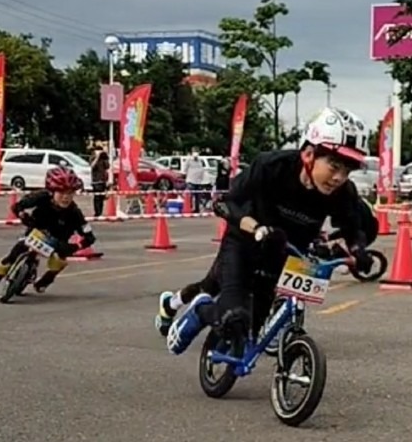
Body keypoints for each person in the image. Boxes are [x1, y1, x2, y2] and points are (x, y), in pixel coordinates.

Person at [162, 106, 374, 356]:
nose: (339, 178)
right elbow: (224, 203)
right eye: (334, 166)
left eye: (346, 171)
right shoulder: (272, 166)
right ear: (308, 154)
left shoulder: (343, 193)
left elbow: (355, 228)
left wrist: (358, 251)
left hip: (284, 255)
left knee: (250, 329)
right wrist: (258, 228)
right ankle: (200, 310)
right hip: (244, 244)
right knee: (232, 316)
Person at [154, 193, 380, 337]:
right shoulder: (282, 186)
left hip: (287, 249)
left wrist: (351, 251)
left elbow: (353, 233)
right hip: (253, 241)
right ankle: (171, 303)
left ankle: (270, 326)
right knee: (211, 286)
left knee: (275, 288)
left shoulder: (346, 206)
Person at [0, 166, 94, 299]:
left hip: (58, 241)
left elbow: (89, 237)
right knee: (15, 253)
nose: (66, 198)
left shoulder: (75, 213)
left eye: (70, 193)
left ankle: (44, 282)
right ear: (51, 191)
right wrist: (22, 215)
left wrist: (75, 247)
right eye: (61, 193)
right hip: (37, 232)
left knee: (59, 260)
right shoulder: (40, 197)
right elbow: (17, 206)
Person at [90, 144, 110, 217]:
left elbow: (107, 166)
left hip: (103, 180)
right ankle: (97, 213)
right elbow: (92, 166)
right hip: (96, 180)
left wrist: (105, 155)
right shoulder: (93, 157)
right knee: (97, 197)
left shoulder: (103, 158)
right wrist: (97, 157)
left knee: (102, 197)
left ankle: (100, 212)